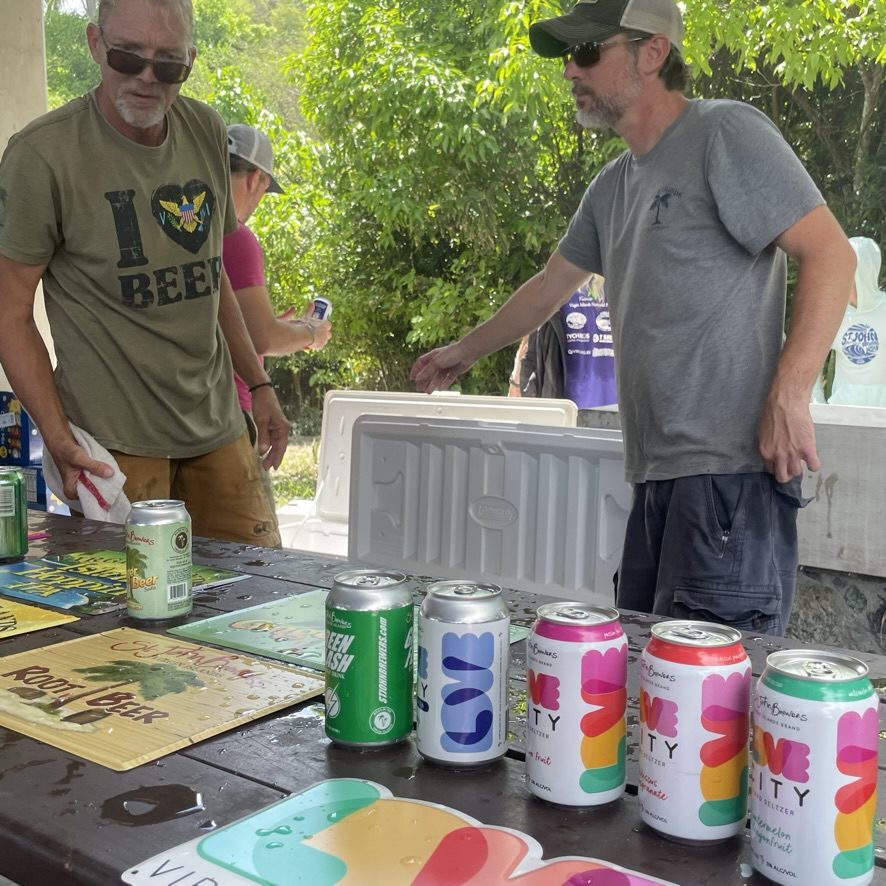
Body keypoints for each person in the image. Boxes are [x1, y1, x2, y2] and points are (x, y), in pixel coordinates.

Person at [411, 0, 857, 635]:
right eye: (567, 56)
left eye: (587, 52)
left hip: (727, 478)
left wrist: (790, 393)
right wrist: (461, 353)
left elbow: (832, 256)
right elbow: (548, 289)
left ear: (652, 53)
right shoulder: (613, 184)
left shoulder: (725, 133)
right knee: (653, 684)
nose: (569, 69)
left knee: (711, 702)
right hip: (655, 478)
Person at [0, 0, 288, 546]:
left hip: (218, 429)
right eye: (127, 58)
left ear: (191, 62)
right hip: (115, 446)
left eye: (168, 64)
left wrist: (259, 382)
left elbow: (210, 272)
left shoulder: (203, 128)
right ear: (94, 44)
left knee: (258, 606)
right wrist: (57, 438)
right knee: (136, 622)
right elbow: (9, 311)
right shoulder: (43, 155)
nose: (147, 79)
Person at [224, 123, 332, 522]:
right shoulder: (237, 237)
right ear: (257, 178)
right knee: (251, 548)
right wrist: (310, 332)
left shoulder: (182, 229)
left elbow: (239, 326)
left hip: (181, 416)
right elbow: (262, 337)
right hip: (229, 418)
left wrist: (272, 325)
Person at [510, 274, 616, 407]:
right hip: (564, 412)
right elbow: (533, 336)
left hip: (621, 415)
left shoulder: (631, 285)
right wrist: (517, 381)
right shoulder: (558, 283)